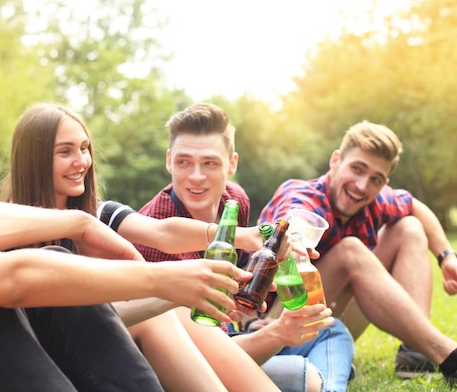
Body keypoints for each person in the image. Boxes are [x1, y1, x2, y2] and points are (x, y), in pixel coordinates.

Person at [0, 40, 249, 392]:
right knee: (24, 274)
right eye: (65, 151)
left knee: (51, 269)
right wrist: (158, 279)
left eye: (84, 148)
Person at [0, 101, 284, 392]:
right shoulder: (11, 230)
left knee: (174, 310)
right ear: (35, 159)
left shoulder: (97, 215)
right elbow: (75, 319)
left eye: (84, 148)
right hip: (53, 359)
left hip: (115, 344)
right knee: (163, 312)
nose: (81, 161)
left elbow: (163, 232)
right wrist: (177, 288)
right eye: (65, 151)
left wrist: (243, 237)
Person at [259, 120, 457, 391]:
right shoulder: (303, 195)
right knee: (351, 250)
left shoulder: (375, 201)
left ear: (384, 183)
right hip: (274, 323)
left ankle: (415, 353)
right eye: (357, 169)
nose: (361, 186)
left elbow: (416, 207)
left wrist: (447, 257)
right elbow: (293, 216)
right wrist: (294, 235)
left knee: (409, 227)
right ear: (336, 160)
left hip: (328, 318)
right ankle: (453, 358)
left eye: (375, 179)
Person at [137, 102, 355, 392]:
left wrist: (276, 266)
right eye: (184, 162)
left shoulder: (234, 199)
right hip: (195, 365)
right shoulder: (152, 233)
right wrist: (277, 334)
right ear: (168, 160)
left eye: (210, 163)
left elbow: (241, 292)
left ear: (232, 163)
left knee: (333, 331)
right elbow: (204, 358)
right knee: (304, 376)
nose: (197, 176)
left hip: (235, 335)